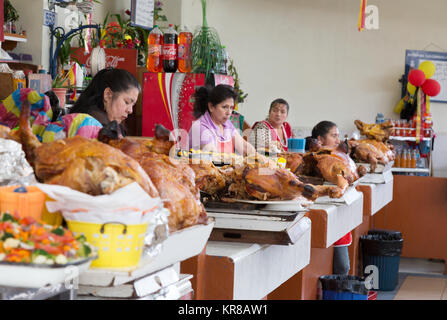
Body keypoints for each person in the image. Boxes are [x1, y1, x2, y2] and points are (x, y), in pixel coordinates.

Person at [307, 120, 351, 275]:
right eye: (334, 136)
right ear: (320, 140)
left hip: (337, 209)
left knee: (343, 266)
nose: (338, 140)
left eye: (338, 136)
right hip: (323, 207)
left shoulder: (339, 156)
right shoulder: (317, 158)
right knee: (341, 265)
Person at [188, 84, 263, 158]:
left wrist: (260, 158)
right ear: (211, 107)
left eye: (231, 108)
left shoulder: (226, 124)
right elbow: (214, 156)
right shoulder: (200, 127)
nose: (229, 112)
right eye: (224, 107)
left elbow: (244, 147)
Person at [69, 68, 141, 137]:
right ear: (108, 94)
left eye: (133, 105)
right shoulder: (89, 127)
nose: (130, 110)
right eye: (127, 102)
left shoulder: (110, 124)